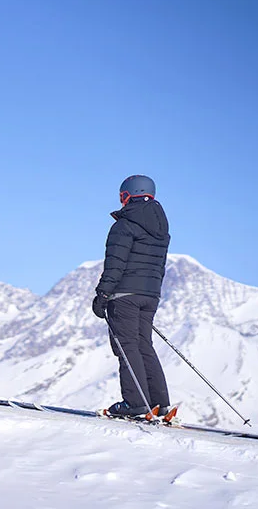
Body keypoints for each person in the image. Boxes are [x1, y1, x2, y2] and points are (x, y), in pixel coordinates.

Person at [92, 174, 171, 417]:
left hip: (124, 295)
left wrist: (103, 294)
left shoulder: (124, 225)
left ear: (127, 195)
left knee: (126, 346)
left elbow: (115, 263)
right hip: (150, 294)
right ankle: (159, 403)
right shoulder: (161, 229)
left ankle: (135, 403)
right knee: (144, 344)